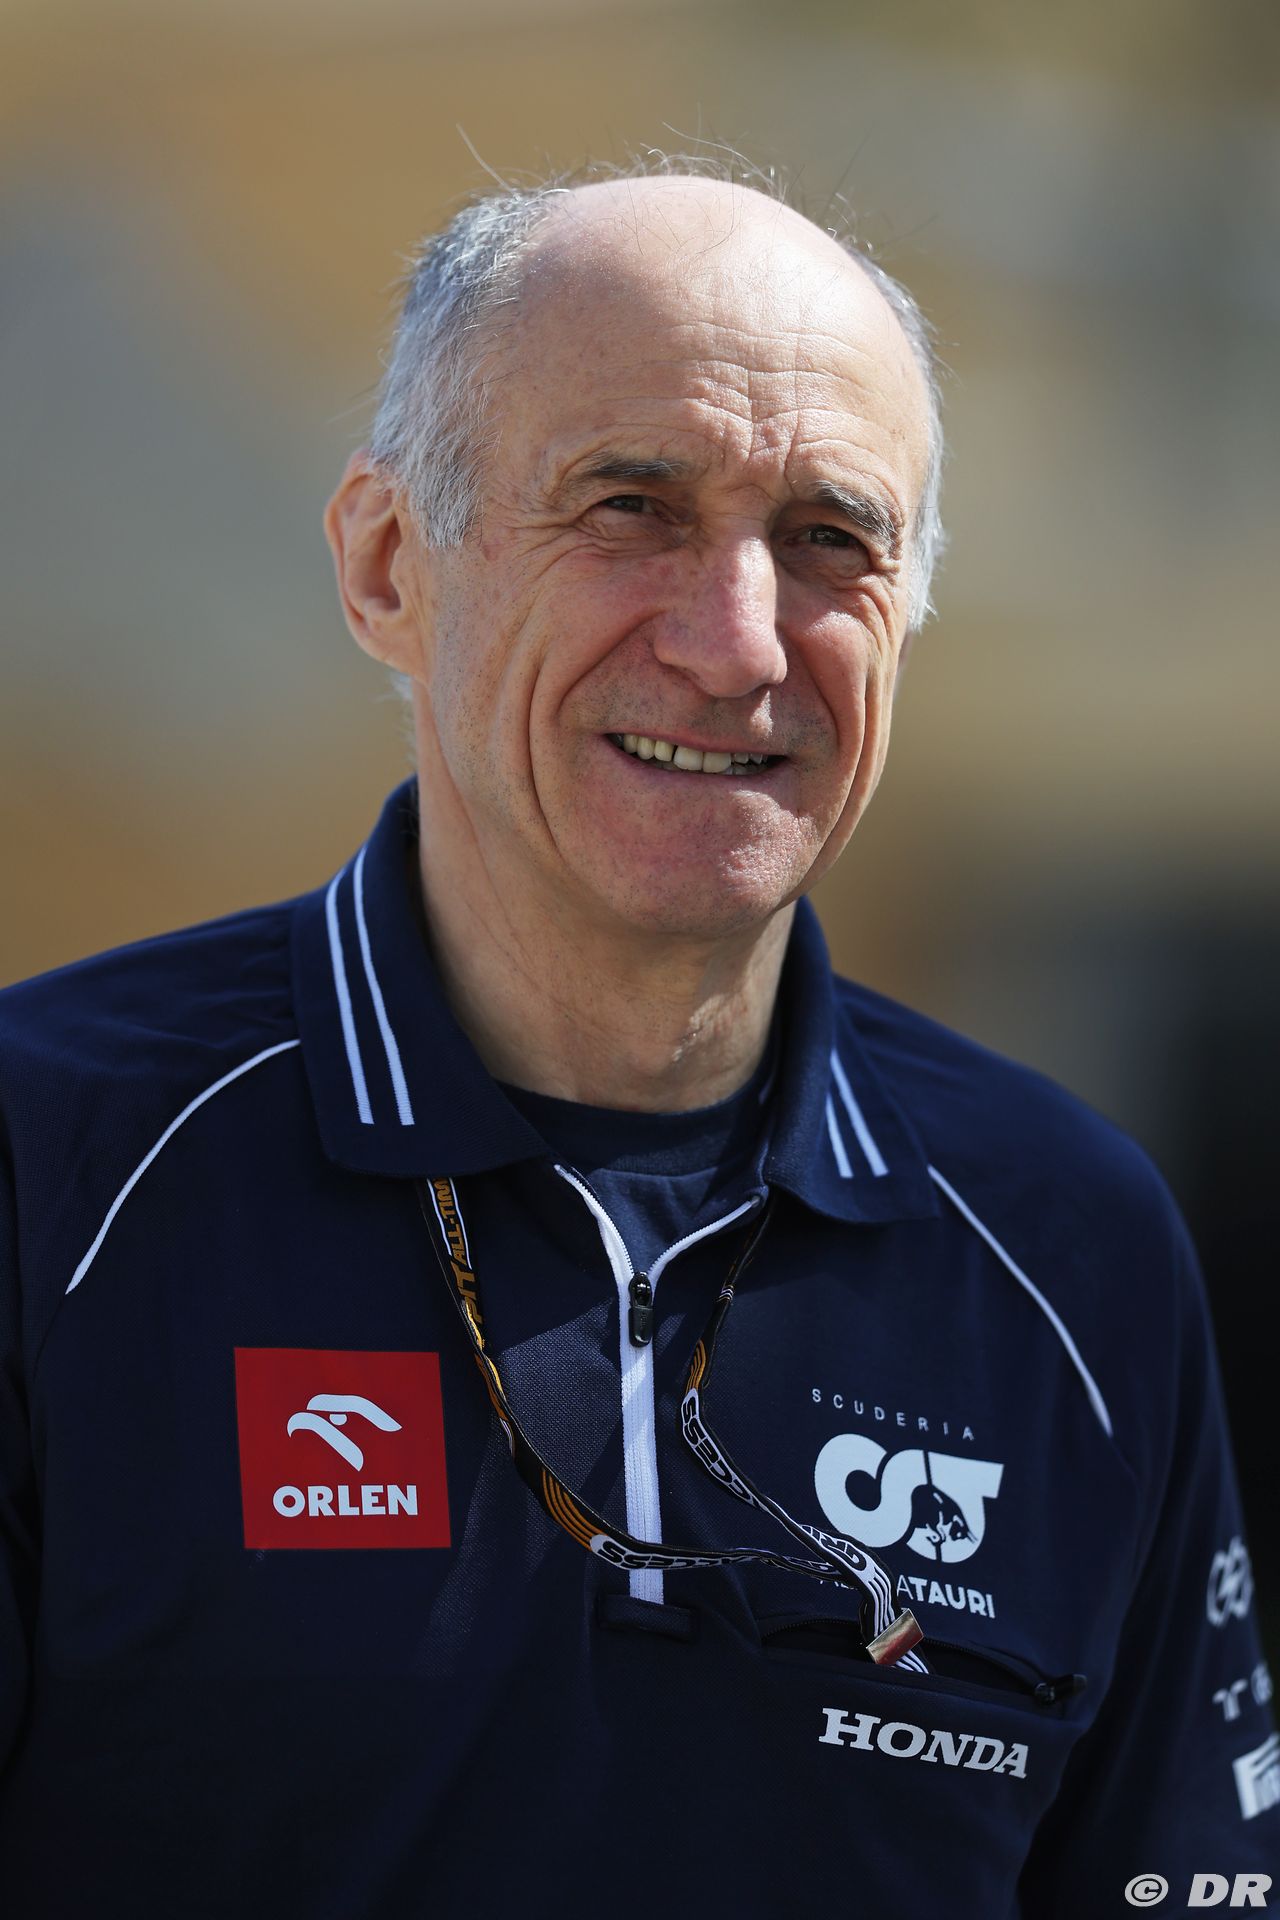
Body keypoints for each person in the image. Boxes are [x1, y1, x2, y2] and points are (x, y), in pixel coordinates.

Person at [0, 161, 1274, 1918]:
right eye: (631, 507)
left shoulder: (1070, 1239)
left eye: (829, 539)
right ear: (387, 564)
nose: (738, 644)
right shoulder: (53, 1163)